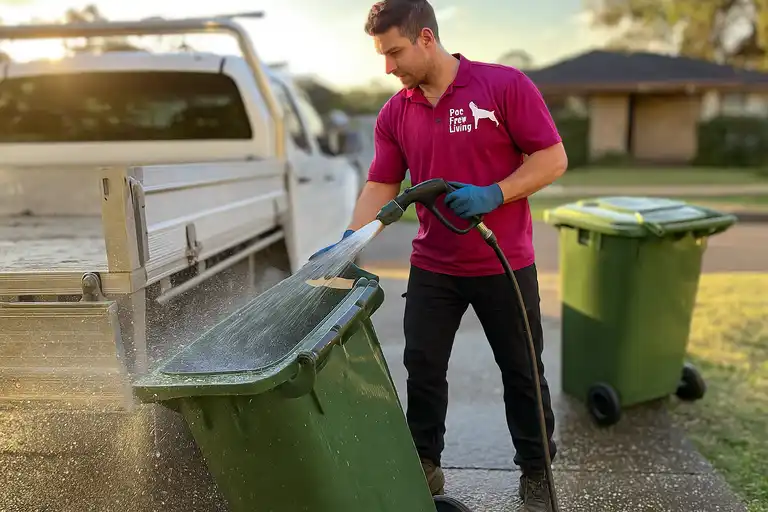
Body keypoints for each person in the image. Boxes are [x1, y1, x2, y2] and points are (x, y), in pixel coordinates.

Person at [312, 1, 567, 510]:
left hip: (504, 263)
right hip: (434, 264)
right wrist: (349, 240)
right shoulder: (395, 111)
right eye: (382, 55)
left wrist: (495, 193)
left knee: (521, 369)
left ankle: (536, 470)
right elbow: (383, 183)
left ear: (426, 38)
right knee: (423, 365)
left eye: (395, 52)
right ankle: (424, 465)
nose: (388, 67)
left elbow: (552, 157)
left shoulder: (503, 86)